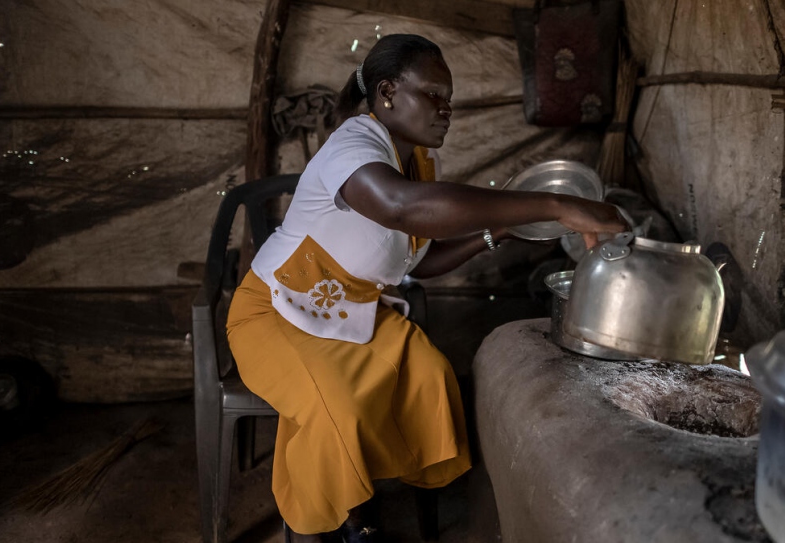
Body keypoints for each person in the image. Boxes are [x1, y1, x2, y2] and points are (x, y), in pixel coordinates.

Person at [226, 34, 627, 542]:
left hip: (351, 312)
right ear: (388, 91)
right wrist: (552, 205)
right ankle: (320, 526)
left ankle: (356, 497)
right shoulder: (354, 142)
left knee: (430, 375)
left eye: (450, 100)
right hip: (276, 313)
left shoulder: (415, 162)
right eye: (433, 94)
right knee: (338, 408)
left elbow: (421, 258)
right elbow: (401, 208)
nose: (446, 109)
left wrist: (495, 233)